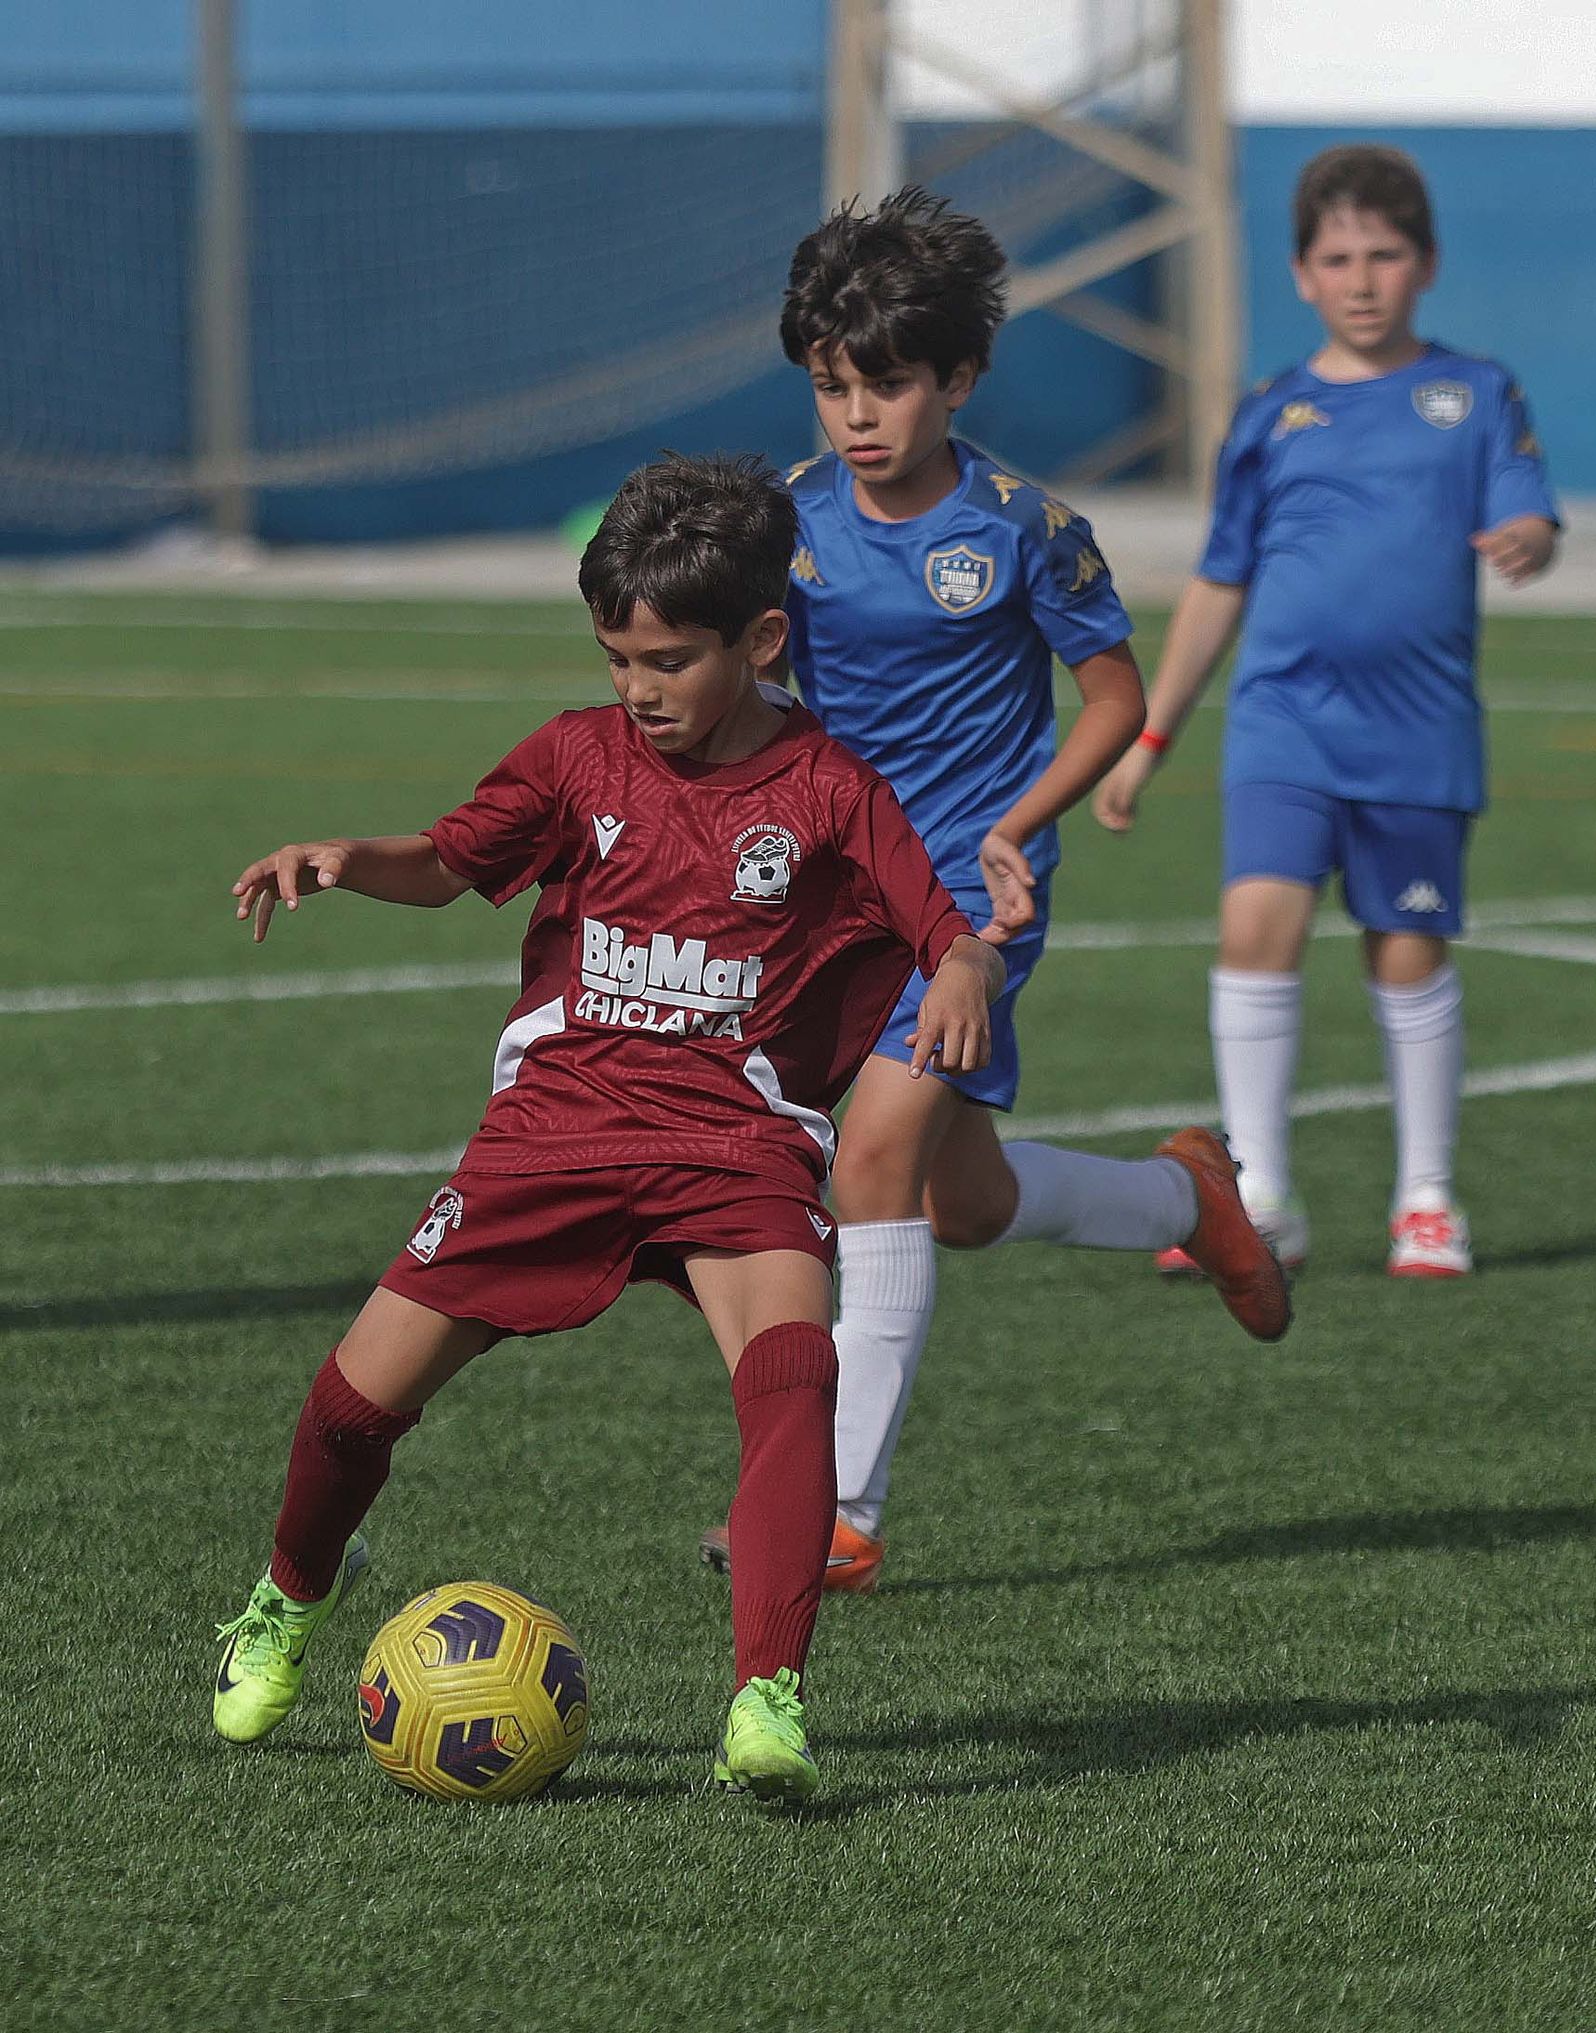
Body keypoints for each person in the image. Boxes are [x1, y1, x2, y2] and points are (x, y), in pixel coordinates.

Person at [211, 452, 1009, 1807]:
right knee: (356, 1400)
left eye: (669, 660)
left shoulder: (828, 786)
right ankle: (287, 1600)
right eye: (618, 656)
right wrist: (349, 860)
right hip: (557, 1126)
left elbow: (938, 923)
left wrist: (967, 965)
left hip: (732, 1138)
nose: (640, 689)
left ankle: (767, 1699)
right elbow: (449, 859)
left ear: (761, 642)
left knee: (794, 1379)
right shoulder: (578, 754)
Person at [699, 187, 1290, 1596]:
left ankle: (838, 1507)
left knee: (873, 1161)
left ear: (957, 379)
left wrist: (1026, 822)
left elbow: (1112, 696)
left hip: (973, 894)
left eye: (889, 384)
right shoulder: (783, 520)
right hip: (836, 895)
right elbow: (766, 688)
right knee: (957, 1200)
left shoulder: (1027, 525)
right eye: (833, 384)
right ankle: (1182, 1198)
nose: (858, 413)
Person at [1093, 144, 1560, 1278]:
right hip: (1281, 723)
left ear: (1426, 264)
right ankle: (1255, 1197)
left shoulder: (1478, 394)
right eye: (1336, 257)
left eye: (1384, 255)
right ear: (1300, 273)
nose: (1362, 279)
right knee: (1258, 927)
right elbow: (1218, 583)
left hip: (1416, 729)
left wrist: (1528, 539)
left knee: (1405, 953)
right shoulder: (1269, 414)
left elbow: (1531, 518)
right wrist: (1148, 736)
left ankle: (1425, 1198)